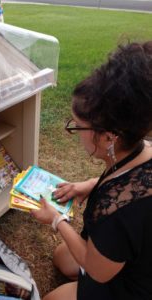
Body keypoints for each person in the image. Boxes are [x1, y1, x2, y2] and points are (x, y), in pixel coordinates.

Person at [31, 41, 152, 300]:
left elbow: (97, 271)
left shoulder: (120, 216)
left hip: (130, 285)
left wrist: (56, 219)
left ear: (109, 138)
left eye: (77, 127)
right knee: (62, 258)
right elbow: (129, 178)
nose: (73, 134)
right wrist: (89, 184)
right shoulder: (143, 148)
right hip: (128, 254)